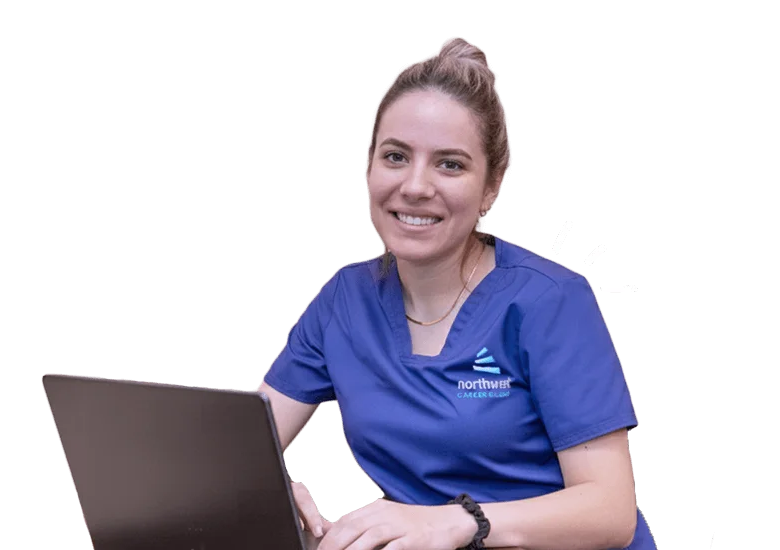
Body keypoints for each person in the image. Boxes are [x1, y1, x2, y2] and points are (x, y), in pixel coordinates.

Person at [258, 37, 656, 550]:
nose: (416, 186)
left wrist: (458, 522)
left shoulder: (549, 302)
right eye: (396, 156)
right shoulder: (344, 303)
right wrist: (261, 486)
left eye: (450, 164)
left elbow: (609, 511)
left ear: (492, 185)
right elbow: (236, 446)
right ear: (370, 166)